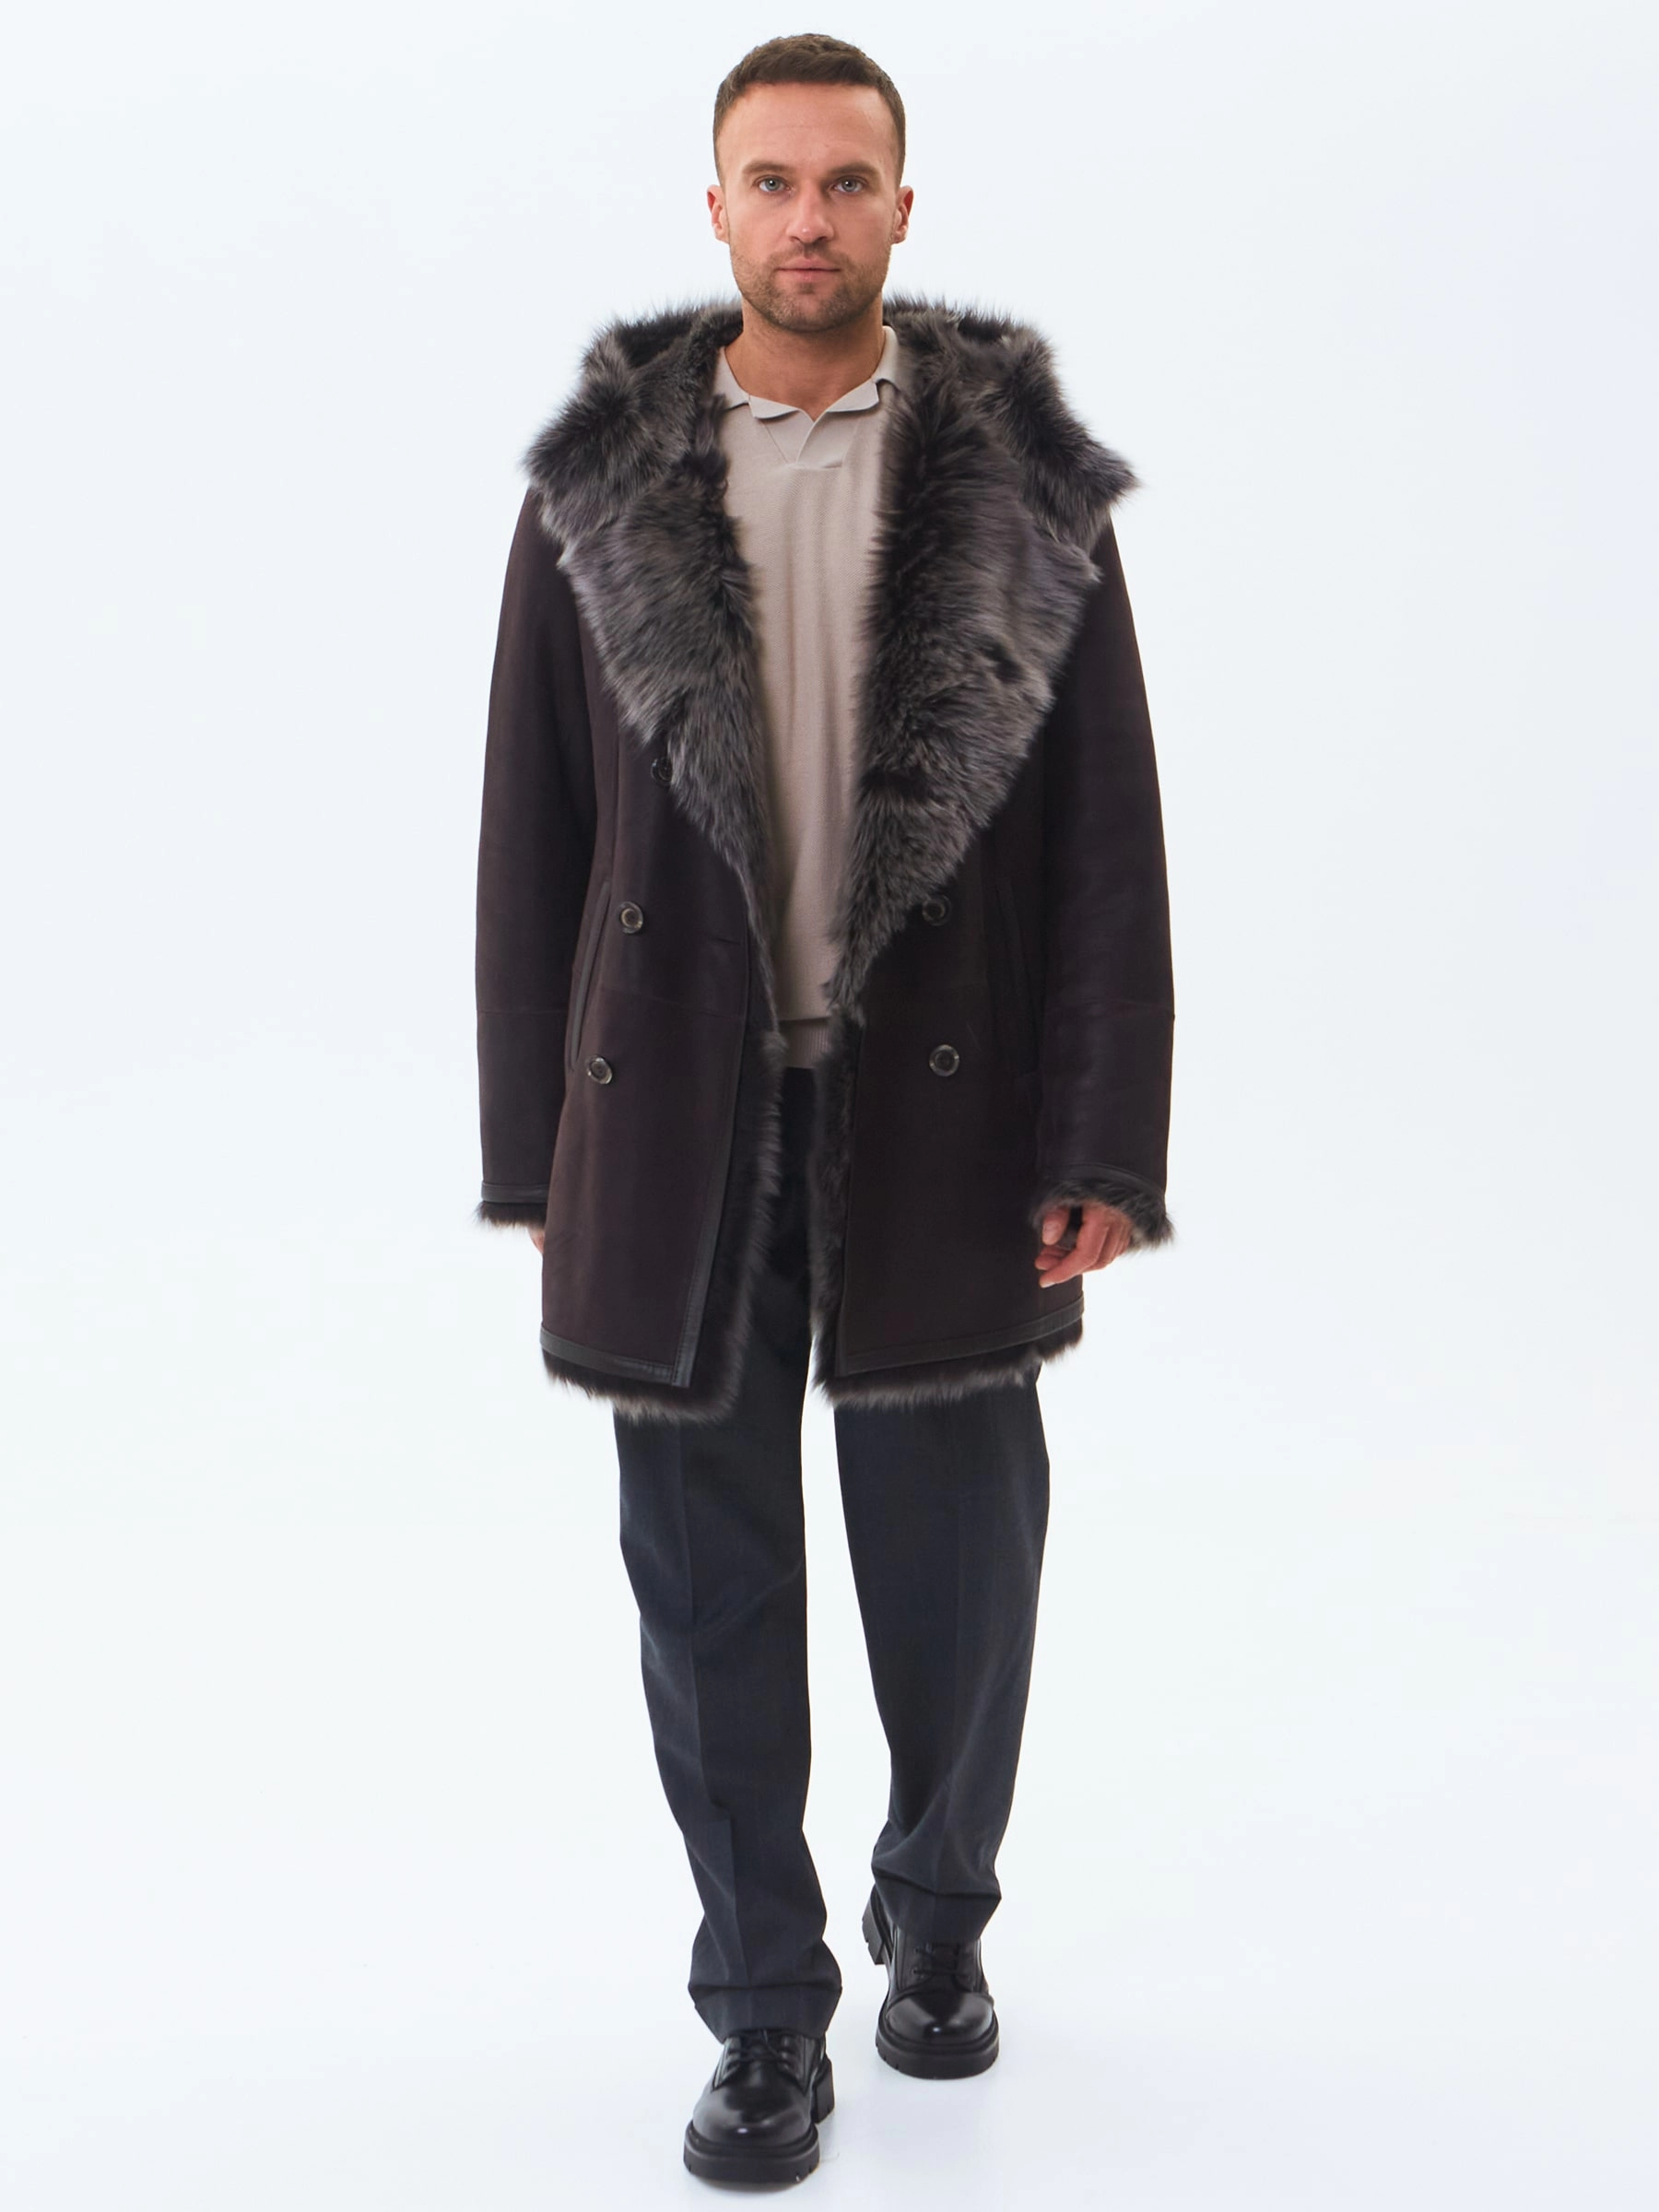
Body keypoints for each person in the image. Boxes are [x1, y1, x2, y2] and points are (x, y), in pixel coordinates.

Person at [473, 30, 1175, 2187]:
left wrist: (1104, 1144)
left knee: (965, 1568)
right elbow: (531, 835)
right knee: (707, 1595)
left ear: (901, 206)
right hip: (674, 1121)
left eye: (845, 182)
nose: (808, 219)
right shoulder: (595, 493)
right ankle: (766, 2010)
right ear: (715, 209)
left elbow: (1107, 839)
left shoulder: (1022, 490)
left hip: (947, 1116)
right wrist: (531, 1150)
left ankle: (936, 1914)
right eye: (771, 182)